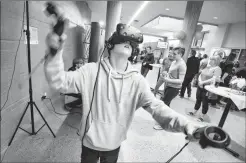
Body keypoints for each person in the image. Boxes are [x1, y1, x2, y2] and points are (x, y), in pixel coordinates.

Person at [44, 23, 206, 163]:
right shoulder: (90, 71)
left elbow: (158, 108)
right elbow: (59, 81)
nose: (128, 44)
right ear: (110, 45)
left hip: (114, 144)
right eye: (124, 41)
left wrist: (186, 125)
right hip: (89, 142)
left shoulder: (137, 81)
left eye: (131, 43)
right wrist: (54, 51)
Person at [188, 55, 222, 122]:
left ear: (216, 61)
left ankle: (202, 116)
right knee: (198, 99)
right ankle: (194, 111)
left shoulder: (217, 69)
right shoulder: (208, 67)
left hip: (207, 88)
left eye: (212, 60)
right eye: (210, 59)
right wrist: (200, 81)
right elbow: (201, 74)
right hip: (200, 85)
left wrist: (203, 82)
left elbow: (215, 79)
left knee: (205, 102)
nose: (210, 60)